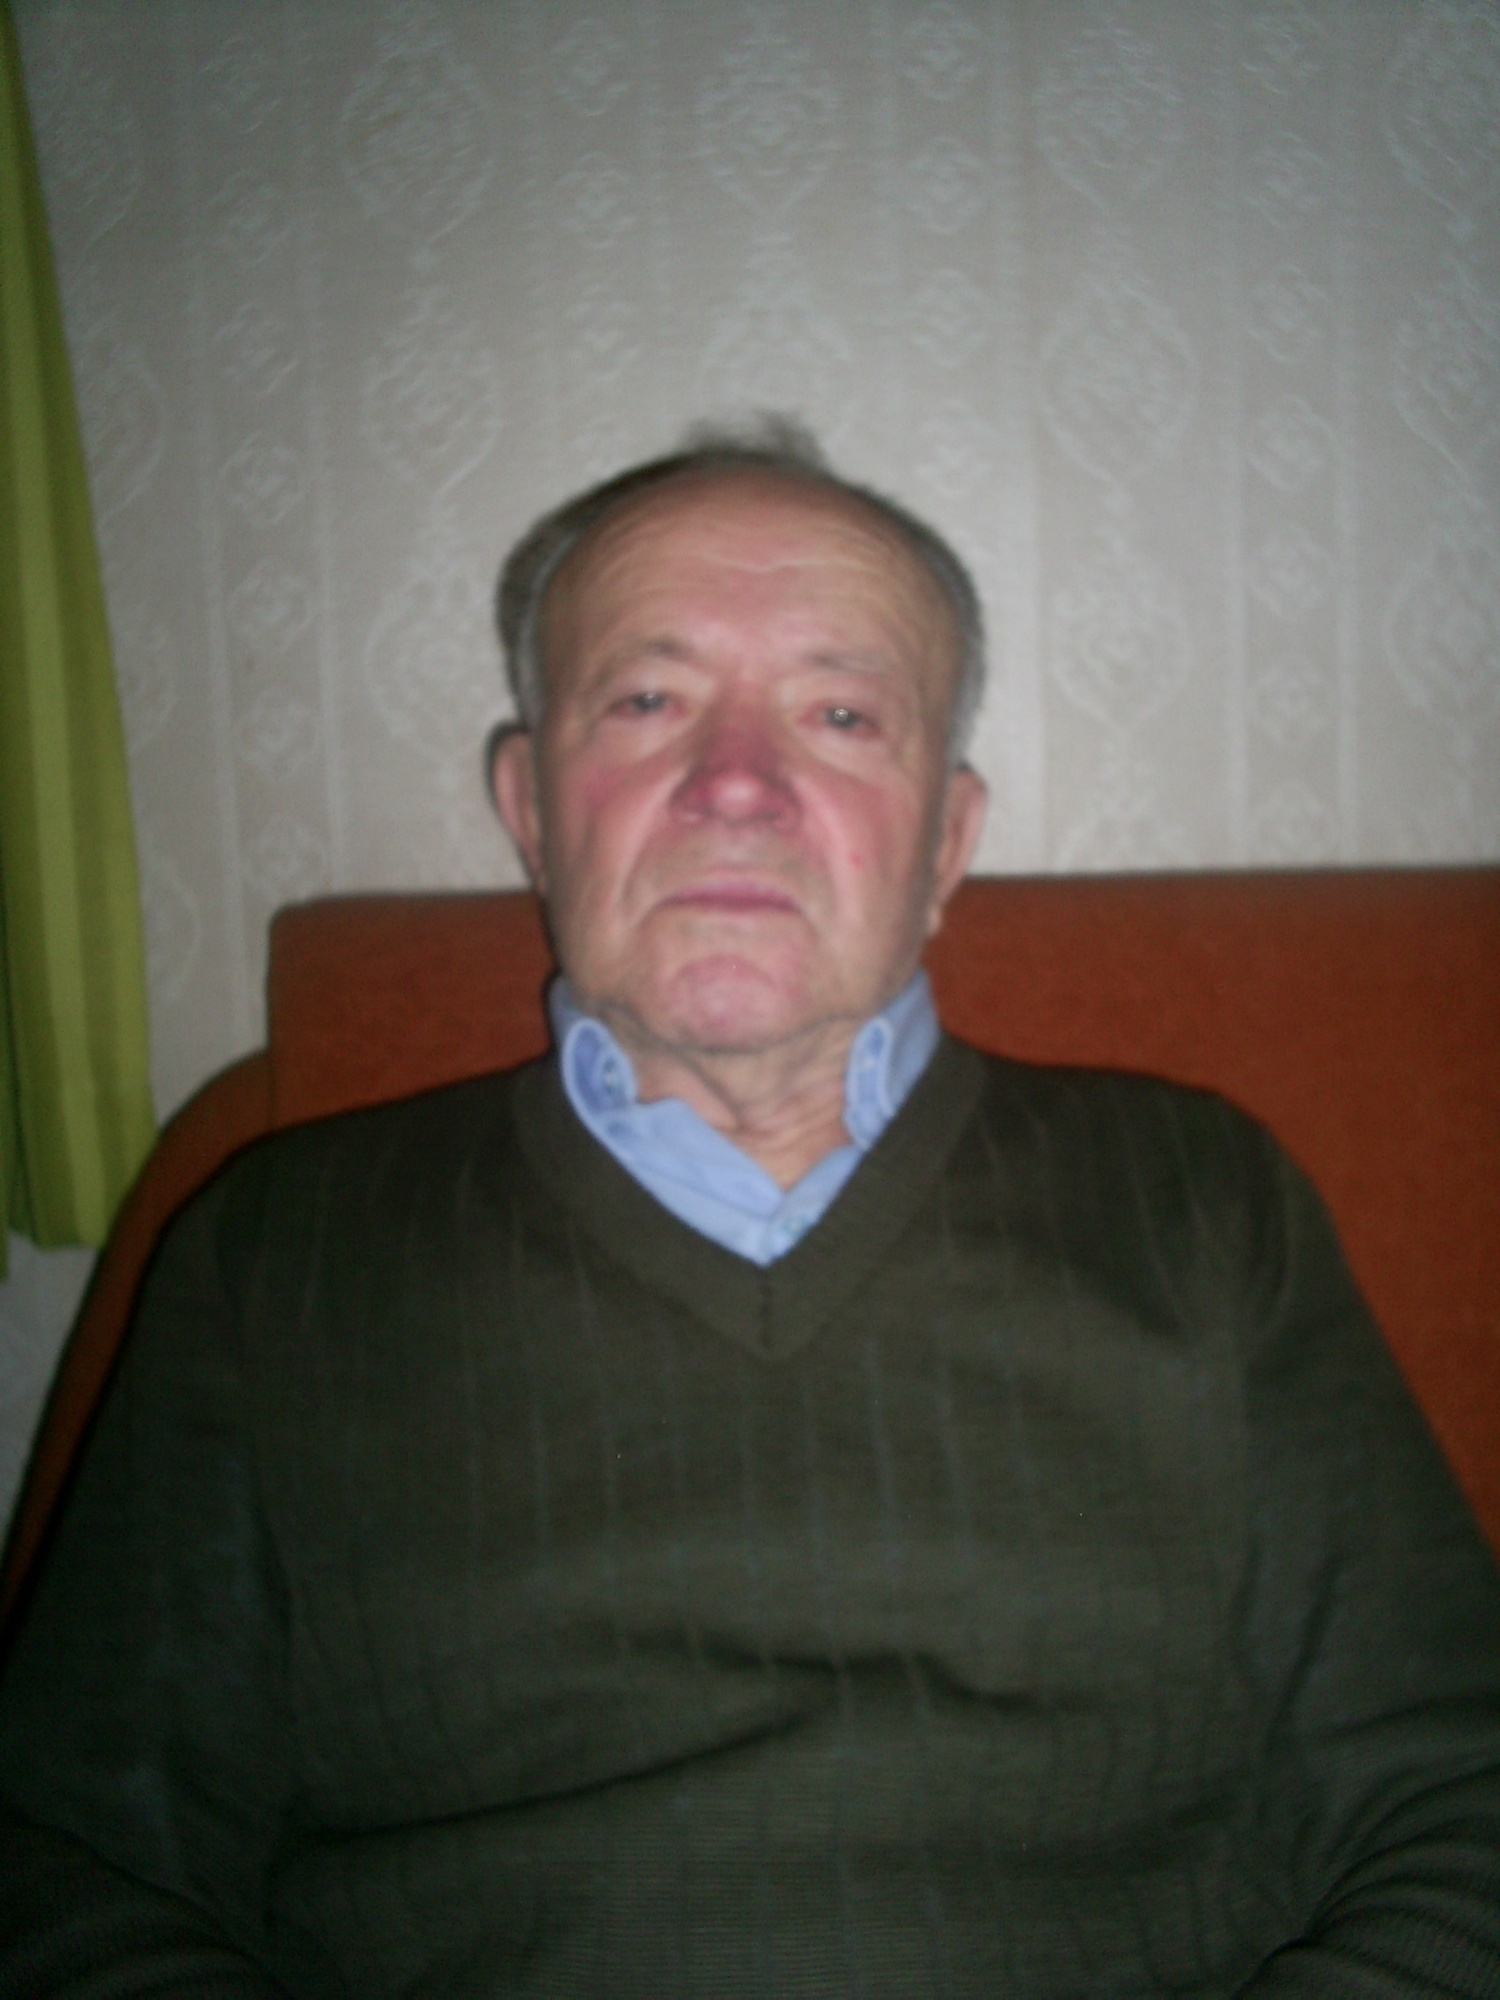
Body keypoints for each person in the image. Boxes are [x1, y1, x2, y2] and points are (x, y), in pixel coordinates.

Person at [2, 421, 1499, 1999]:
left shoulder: (1200, 1202)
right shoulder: (277, 1248)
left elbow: (1458, 1789)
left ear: (947, 842)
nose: (736, 785)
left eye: (841, 715)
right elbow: (67, 1862)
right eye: (647, 701)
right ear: (530, 807)